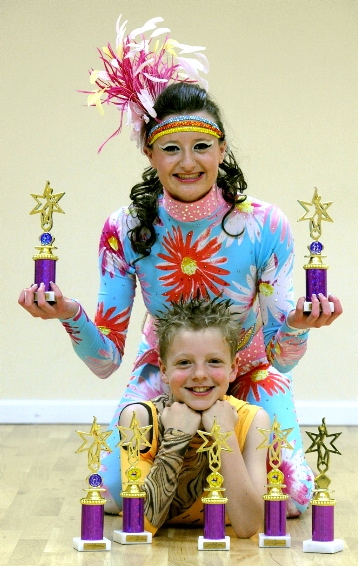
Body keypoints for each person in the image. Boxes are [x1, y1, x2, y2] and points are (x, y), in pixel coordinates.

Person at [18, 16, 342, 517]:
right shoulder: (123, 228)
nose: (187, 162)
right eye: (170, 148)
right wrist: (67, 311)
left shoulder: (264, 225)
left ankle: (200, 493)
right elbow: (106, 360)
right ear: (149, 153)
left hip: (248, 368)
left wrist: (299, 325)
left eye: (201, 147)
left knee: (291, 501)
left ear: (221, 149)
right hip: (165, 373)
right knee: (109, 496)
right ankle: (199, 492)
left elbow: (281, 359)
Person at [118, 296, 270, 538]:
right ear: (164, 370)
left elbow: (248, 527)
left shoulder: (253, 420)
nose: (200, 374)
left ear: (233, 368)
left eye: (214, 361)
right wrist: (175, 439)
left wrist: (225, 436)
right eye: (185, 362)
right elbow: (139, 526)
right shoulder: (139, 419)